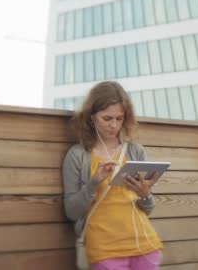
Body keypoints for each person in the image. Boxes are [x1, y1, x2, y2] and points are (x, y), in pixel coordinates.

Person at [62, 81, 163, 270]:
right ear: (91, 117)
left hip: (144, 243)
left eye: (119, 118)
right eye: (107, 118)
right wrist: (93, 184)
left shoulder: (135, 151)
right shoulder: (77, 156)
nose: (114, 125)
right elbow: (71, 212)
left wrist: (145, 193)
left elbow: (147, 209)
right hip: (104, 249)